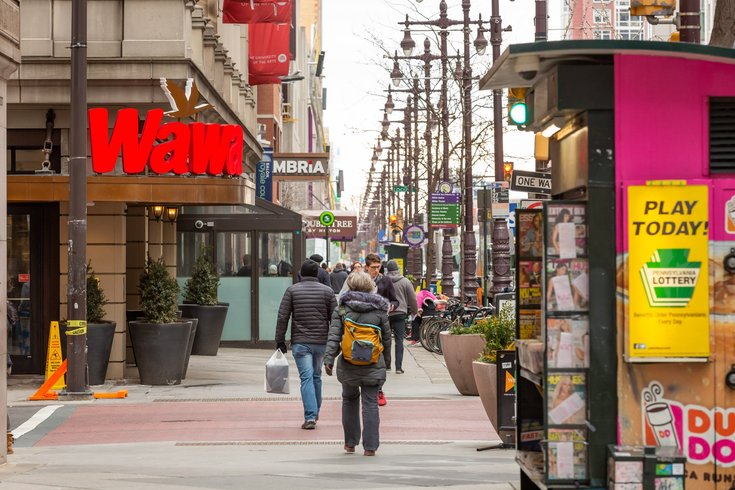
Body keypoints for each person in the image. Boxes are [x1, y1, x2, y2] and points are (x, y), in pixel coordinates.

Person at [323, 271, 391, 456]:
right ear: (370, 287)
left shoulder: (342, 310)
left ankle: (350, 443)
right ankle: (370, 447)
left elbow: (334, 336)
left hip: (348, 363)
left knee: (349, 400)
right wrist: (388, 362)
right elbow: (386, 339)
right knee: (370, 404)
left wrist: (329, 359)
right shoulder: (380, 311)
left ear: (350, 287)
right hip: (373, 363)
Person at [275, 260, 337, 430]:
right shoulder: (328, 292)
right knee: (316, 376)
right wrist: (335, 342)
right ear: (317, 274)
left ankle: (310, 416)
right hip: (321, 342)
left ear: (301, 273)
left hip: (301, 342)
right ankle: (315, 411)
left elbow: (282, 317)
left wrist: (280, 340)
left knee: (306, 377)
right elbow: (336, 319)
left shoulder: (292, 290)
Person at [384, 260, 418, 374]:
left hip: (386, 314)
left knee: (386, 340)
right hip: (400, 313)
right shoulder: (405, 281)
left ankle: (387, 365)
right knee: (399, 340)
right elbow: (412, 298)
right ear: (397, 269)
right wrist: (414, 312)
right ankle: (398, 367)